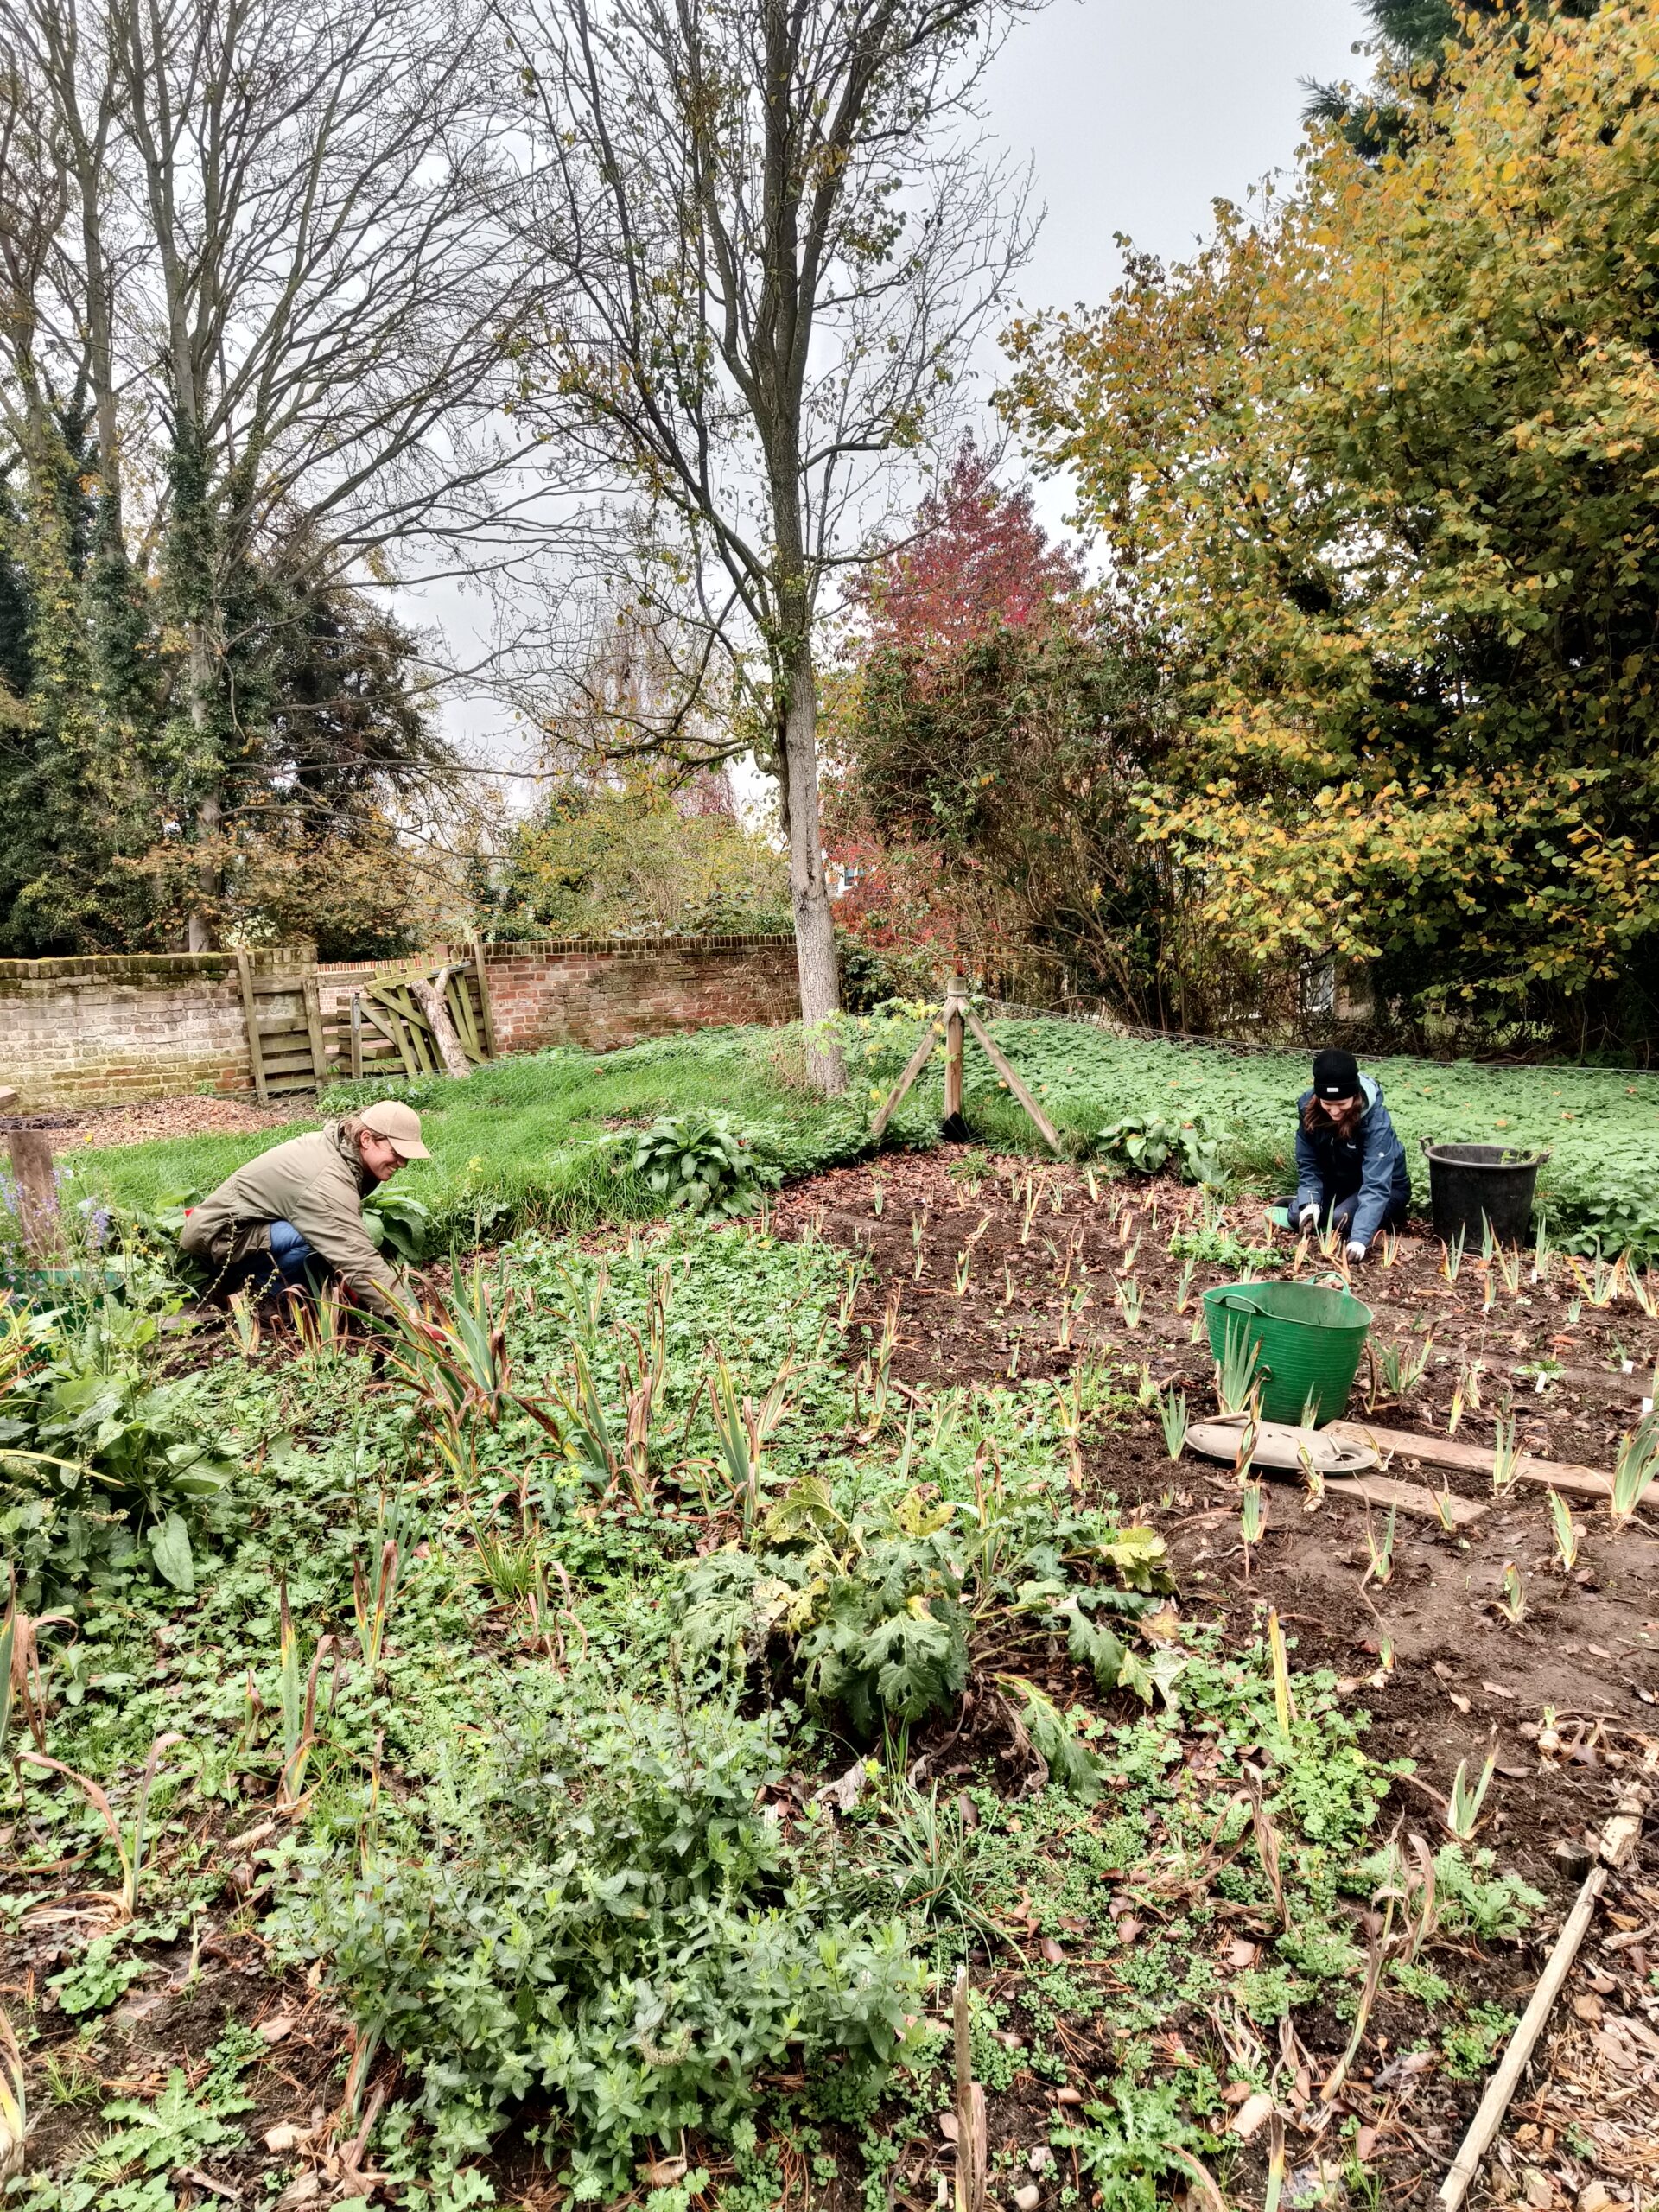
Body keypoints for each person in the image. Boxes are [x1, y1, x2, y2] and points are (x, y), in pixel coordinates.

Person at [180, 1100, 429, 1317]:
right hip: (221, 1237)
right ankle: (261, 1292)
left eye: (406, 1156)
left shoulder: (340, 1149)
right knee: (316, 1237)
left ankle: (259, 1282)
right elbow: (354, 1253)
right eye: (396, 1152)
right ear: (366, 1139)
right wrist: (409, 1315)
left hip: (251, 1228)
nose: (403, 1163)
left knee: (328, 1234)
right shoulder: (324, 1178)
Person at [1290, 1047, 1410, 1262]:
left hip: (1386, 1187)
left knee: (1341, 1220)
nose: (1335, 1112)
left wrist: (1360, 1239)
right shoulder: (1308, 1109)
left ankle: (1386, 1213)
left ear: (1355, 1097)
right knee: (1298, 1216)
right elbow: (1308, 1162)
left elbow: (1376, 1184)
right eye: (1328, 1104)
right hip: (1342, 1184)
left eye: (1342, 1105)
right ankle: (1314, 1204)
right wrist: (1310, 1202)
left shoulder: (1375, 1122)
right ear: (1318, 1097)